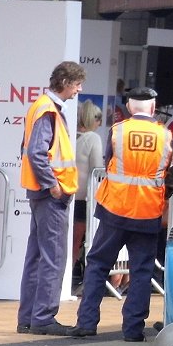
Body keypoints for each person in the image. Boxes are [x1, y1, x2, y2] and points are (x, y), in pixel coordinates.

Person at [73, 88, 173, 341]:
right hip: (147, 211)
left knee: (97, 265)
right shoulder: (165, 135)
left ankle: (86, 323)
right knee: (141, 271)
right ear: (153, 107)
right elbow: (168, 170)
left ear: (129, 107)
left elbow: (108, 161)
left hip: (115, 209)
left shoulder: (117, 131)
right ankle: (133, 330)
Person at [16, 60, 85, 336]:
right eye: (78, 84)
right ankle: (43, 317)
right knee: (53, 256)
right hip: (50, 194)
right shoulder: (49, 111)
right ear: (66, 83)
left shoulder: (41, 106)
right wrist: (53, 185)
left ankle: (29, 318)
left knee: (36, 256)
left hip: (39, 192)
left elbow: (30, 149)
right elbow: (37, 153)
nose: (79, 90)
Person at [72, 99, 104, 283]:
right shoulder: (93, 138)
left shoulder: (69, 136)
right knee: (78, 241)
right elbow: (97, 169)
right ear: (94, 119)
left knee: (68, 240)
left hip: (68, 193)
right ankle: (70, 277)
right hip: (84, 198)